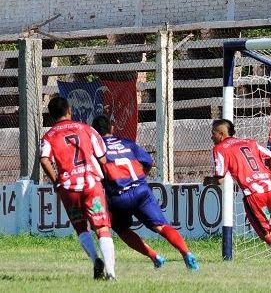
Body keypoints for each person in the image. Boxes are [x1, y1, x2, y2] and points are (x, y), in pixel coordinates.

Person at [91, 115, 199, 271]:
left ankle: (154, 256)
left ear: (94, 133)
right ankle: (186, 253)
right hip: (141, 190)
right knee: (161, 226)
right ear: (112, 129)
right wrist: (141, 178)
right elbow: (148, 161)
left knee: (121, 229)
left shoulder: (97, 149)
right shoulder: (127, 143)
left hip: (118, 196)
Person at [204, 119, 271, 269]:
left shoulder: (219, 149)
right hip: (269, 189)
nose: (211, 137)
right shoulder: (249, 142)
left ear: (221, 133)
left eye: (213, 133)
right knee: (269, 222)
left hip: (253, 194)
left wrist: (208, 180)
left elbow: (220, 179)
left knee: (266, 234)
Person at [39, 96, 117, 280]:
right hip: (91, 184)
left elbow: (44, 159)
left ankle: (96, 260)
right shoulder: (87, 129)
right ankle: (111, 273)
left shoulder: (49, 136)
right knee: (102, 227)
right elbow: (102, 157)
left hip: (69, 188)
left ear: (51, 115)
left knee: (81, 228)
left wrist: (56, 181)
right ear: (70, 110)